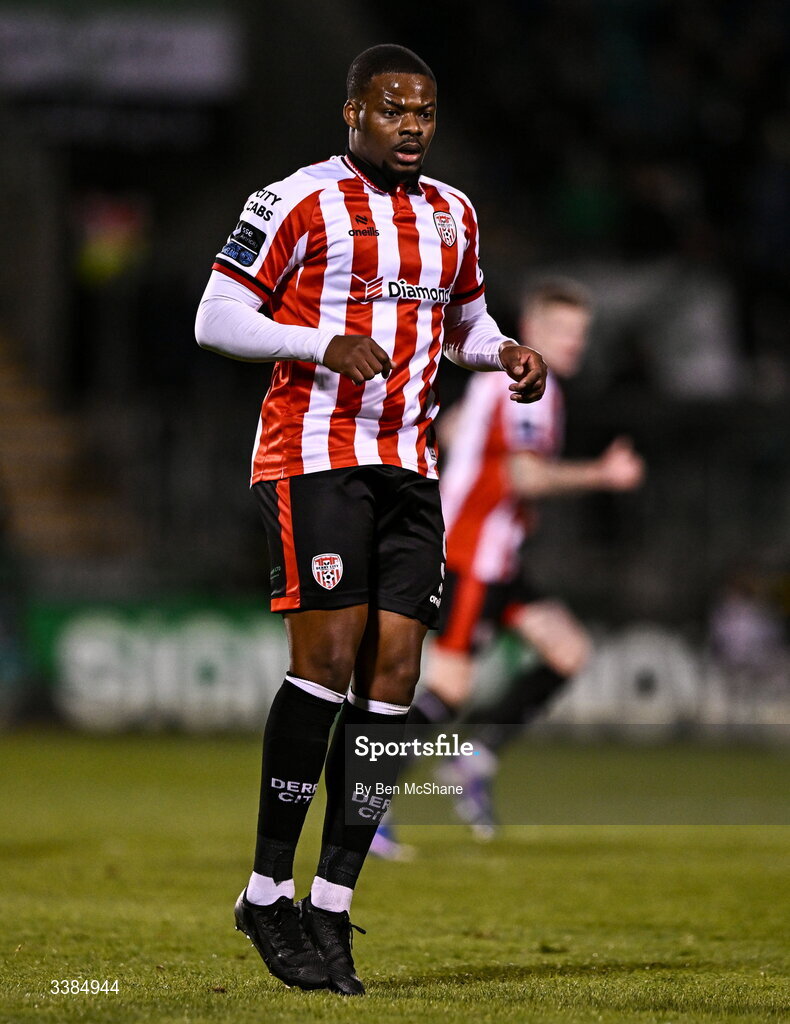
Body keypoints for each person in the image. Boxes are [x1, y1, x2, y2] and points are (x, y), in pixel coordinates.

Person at [195, 44, 546, 996]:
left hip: (408, 469)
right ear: (353, 113)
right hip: (315, 457)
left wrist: (506, 351)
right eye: (394, 110)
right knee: (327, 661)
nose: (412, 126)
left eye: (425, 113)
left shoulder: (454, 214)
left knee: (394, 678)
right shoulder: (296, 199)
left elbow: (465, 322)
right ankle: (266, 888)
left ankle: (333, 906)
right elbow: (215, 316)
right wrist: (320, 340)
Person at [371, 277, 644, 853]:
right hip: (472, 555)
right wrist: (603, 475)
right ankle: (364, 798)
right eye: (563, 331)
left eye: (582, 333)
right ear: (532, 327)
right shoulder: (526, 386)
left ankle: (474, 757)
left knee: (567, 651)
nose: (575, 343)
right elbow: (525, 474)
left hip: (499, 554)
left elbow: (454, 427)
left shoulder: (510, 383)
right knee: (446, 689)